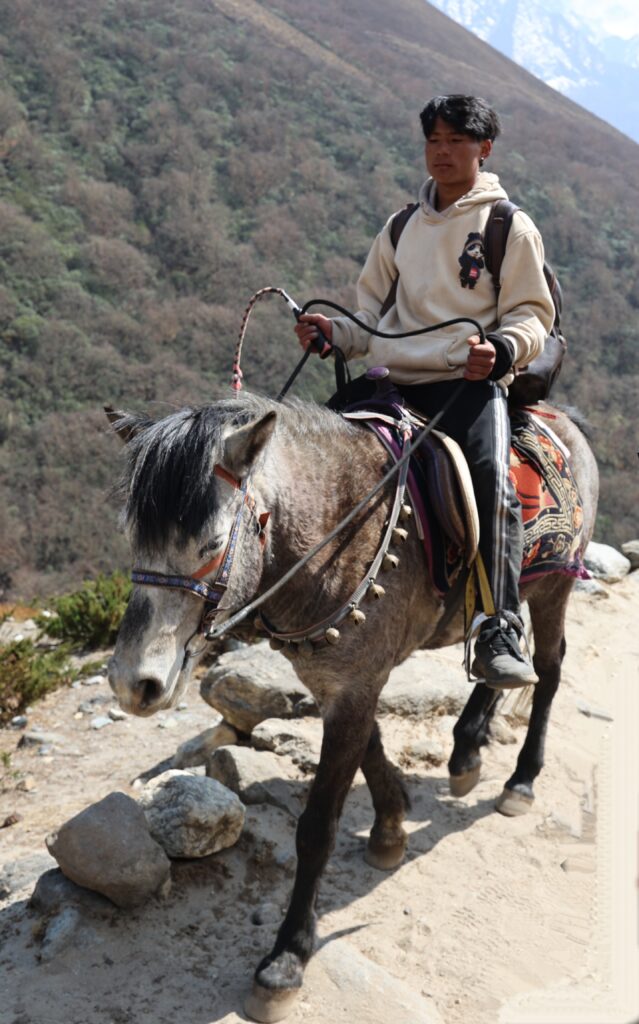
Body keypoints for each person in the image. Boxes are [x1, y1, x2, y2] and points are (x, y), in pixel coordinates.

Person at [294, 94, 555, 689]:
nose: (442, 151)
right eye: (434, 140)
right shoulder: (400, 226)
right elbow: (368, 316)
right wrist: (335, 334)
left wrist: (502, 350)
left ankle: (498, 627)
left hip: (467, 385)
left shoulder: (507, 225)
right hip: (391, 383)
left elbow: (532, 315)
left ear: (484, 149)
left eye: (456, 141)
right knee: (307, 463)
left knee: (492, 485)